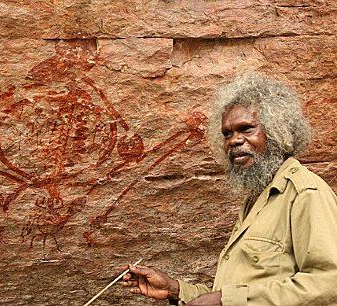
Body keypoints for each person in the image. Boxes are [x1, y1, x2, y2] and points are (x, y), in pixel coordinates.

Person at [121, 72, 337, 305]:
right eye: (227, 133)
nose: (234, 140)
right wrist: (175, 290)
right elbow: (242, 290)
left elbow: (328, 284)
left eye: (246, 129)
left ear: (277, 131)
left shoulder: (304, 192)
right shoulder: (257, 196)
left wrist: (227, 300)